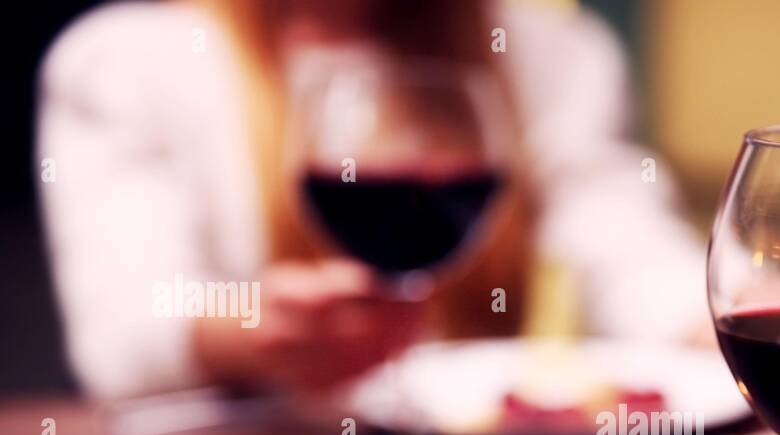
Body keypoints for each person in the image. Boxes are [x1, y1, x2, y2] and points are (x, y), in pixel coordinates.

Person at [37, 0, 707, 400]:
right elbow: (123, 333)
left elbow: (623, 240)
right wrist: (249, 325)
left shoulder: (552, 49)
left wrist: (717, 322)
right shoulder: (124, 60)